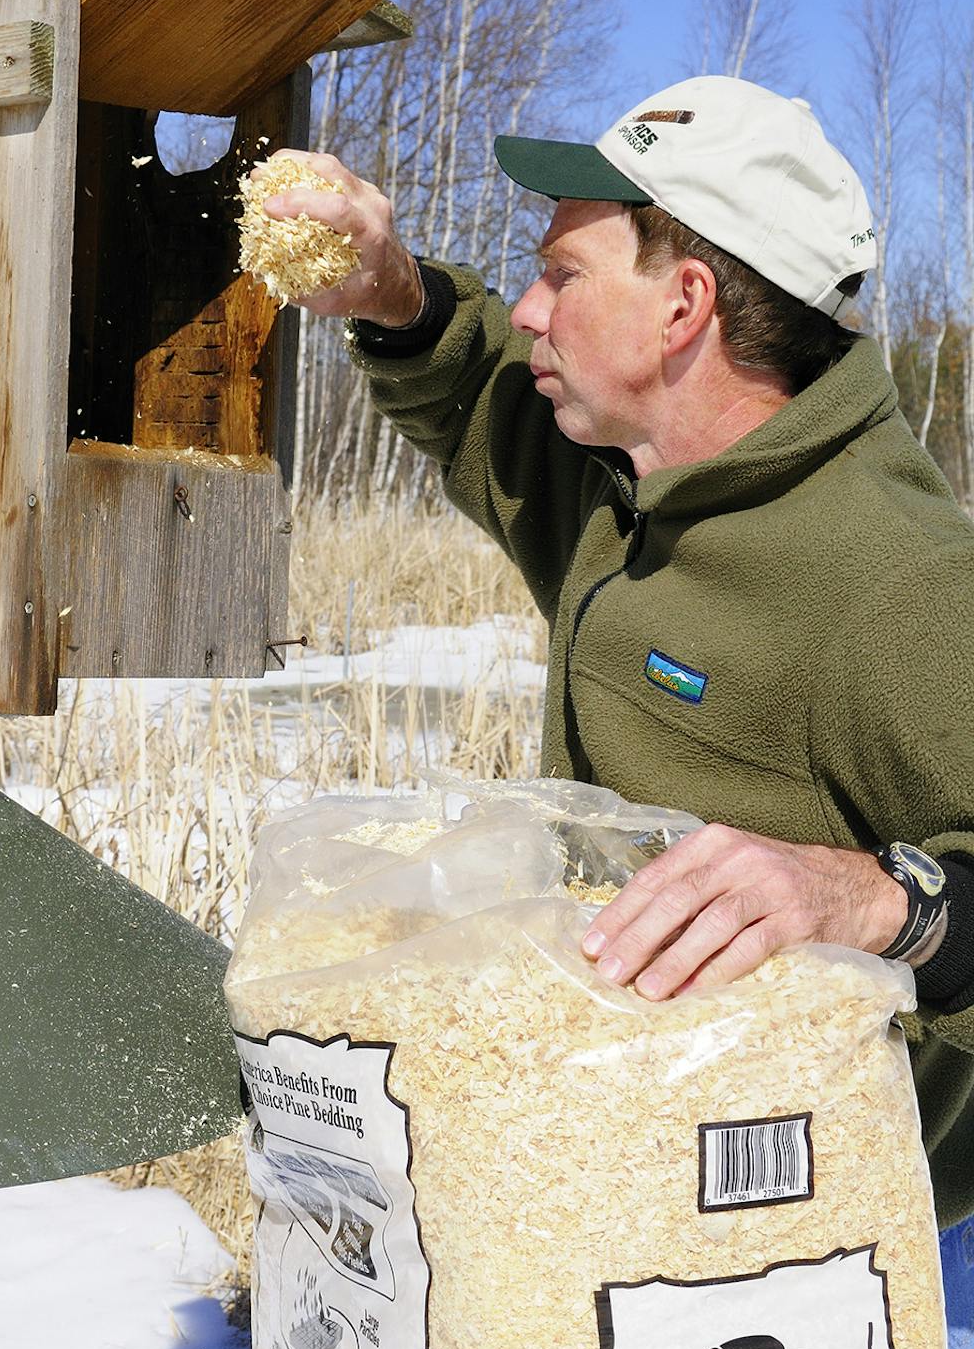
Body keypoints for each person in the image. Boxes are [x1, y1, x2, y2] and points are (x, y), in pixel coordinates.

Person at [257, 75, 974, 1230]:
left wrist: (875, 899)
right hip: (614, 1159)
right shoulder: (631, 494)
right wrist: (385, 289)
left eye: (561, 276)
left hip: (804, 1234)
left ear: (683, 304)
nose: (532, 309)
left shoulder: (901, 584)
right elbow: (476, 391)